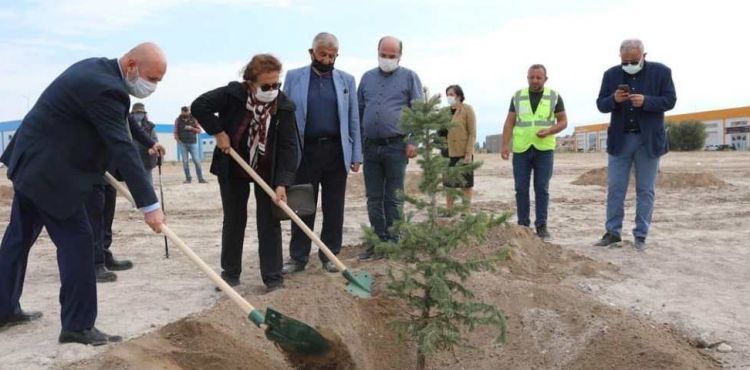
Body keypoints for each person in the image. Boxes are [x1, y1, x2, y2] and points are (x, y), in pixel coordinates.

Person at [0, 42, 166, 345]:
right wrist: (149, 204)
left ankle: (3, 309)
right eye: (152, 78)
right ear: (131, 65)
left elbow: (114, 123)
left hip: (32, 164)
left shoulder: (98, 71)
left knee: (17, 239)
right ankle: (78, 326)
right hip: (51, 174)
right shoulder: (105, 87)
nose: (152, 86)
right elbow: (122, 145)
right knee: (79, 243)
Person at [191, 54, 298, 292]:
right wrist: (218, 132)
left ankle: (273, 277)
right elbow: (199, 105)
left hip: (267, 169)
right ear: (250, 82)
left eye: (276, 85)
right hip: (233, 164)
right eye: (266, 86)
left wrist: (282, 182)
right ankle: (230, 273)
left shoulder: (285, 106)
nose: (272, 90)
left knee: (269, 221)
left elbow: (289, 147)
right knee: (234, 219)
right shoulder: (233, 95)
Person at [280, 32, 362, 274]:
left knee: (334, 206)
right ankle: (298, 257)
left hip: (336, 151)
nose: (326, 60)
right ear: (311, 53)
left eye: (332, 56)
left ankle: (330, 255)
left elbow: (353, 119)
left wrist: (356, 154)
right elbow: (284, 116)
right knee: (303, 204)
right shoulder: (294, 77)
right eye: (322, 54)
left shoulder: (347, 80)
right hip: (305, 151)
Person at [593, 39, 676, 251]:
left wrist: (647, 101)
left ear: (643, 56)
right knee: (615, 188)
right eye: (625, 61)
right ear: (619, 58)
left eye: (633, 60)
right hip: (620, 141)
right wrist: (614, 99)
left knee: (645, 190)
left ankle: (641, 235)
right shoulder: (610, 75)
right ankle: (612, 232)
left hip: (648, 141)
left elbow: (670, 100)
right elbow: (601, 104)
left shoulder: (662, 72)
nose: (629, 64)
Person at [357, 36, 422, 260]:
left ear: (399, 56)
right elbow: (359, 109)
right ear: (377, 52)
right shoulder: (367, 78)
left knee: (393, 196)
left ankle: (394, 241)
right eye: (383, 55)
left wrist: (413, 141)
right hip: (371, 147)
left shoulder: (409, 77)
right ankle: (378, 240)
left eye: (391, 56)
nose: (386, 59)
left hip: (396, 145)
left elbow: (418, 111)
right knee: (373, 197)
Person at [87, 102, 164, 283]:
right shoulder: (98, 96)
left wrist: (151, 143)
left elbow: (131, 125)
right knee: (95, 215)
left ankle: (104, 254)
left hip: (109, 164)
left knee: (107, 212)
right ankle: (94, 262)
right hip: (92, 165)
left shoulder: (118, 100)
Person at [501, 64, 568, 241]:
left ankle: (542, 226)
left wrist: (550, 131)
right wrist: (505, 145)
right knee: (521, 188)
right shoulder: (518, 96)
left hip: (544, 149)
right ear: (527, 77)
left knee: (542, 188)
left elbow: (563, 121)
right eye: (531, 77)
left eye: (538, 77)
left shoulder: (554, 96)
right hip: (522, 149)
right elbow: (509, 122)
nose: (535, 80)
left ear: (545, 79)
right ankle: (523, 225)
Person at [443, 84, 476, 212]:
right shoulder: (445, 112)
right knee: (449, 184)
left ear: (459, 96)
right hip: (447, 152)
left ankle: (465, 211)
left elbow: (472, 133)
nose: (449, 97)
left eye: (451, 94)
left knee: (466, 184)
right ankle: (449, 209)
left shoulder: (467, 109)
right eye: (448, 95)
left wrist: (468, 153)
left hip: (463, 152)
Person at [174, 106, 207, 183]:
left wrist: (192, 128)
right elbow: (175, 131)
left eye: (186, 111)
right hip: (183, 144)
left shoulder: (194, 120)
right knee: (185, 162)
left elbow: (199, 131)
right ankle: (188, 179)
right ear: (181, 112)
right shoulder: (177, 120)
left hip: (193, 144)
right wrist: (178, 140)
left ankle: (200, 178)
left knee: (197, 161)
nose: (185, 113)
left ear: (189, 111)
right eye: (183, 111)